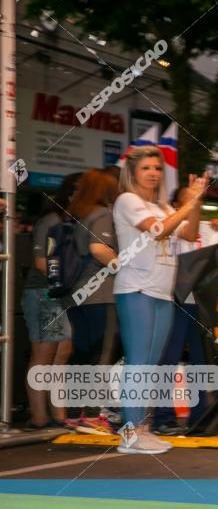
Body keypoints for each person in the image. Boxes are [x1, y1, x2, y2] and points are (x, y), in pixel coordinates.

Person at [113, 146, 207, 454]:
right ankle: (130, 434)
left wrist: (196, 203)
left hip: (162, 292)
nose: (153, 173)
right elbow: (158, 231)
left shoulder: (165, 205)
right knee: (138, 364)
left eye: (157, 168)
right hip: (136, 290)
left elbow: (189, 235)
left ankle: (142, 429)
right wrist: (188, 202)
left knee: (151, 366)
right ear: (133, 173)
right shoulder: (128, 201)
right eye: (146, 168)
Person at [153, 186, 218, 435]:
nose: (196, 202)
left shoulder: (208, 227)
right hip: (174, 300)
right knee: (168, 360)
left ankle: (199, 414)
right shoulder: (173, 224)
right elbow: (185, 236)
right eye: (190, 198)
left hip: (200, 304)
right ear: (177, 204)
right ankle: (163, 416)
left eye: (199, 198)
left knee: (200, 362)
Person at [64, 168, 120, 434]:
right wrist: (123, 266)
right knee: (102, 355)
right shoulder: (103, 215)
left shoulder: (77, 215)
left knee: (81, 355)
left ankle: (75, 414)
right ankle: (95, 415)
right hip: (100, 294)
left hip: (77, 296)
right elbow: (98, 249)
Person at [22, 173, 79, 430]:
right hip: (43, 292)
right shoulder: (52, 221)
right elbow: (41, 262)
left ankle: (57, 416)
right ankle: (40, 418)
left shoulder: (68, 222)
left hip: (54, 293)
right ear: (72, 195)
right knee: (45, 354)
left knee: (61, 352)